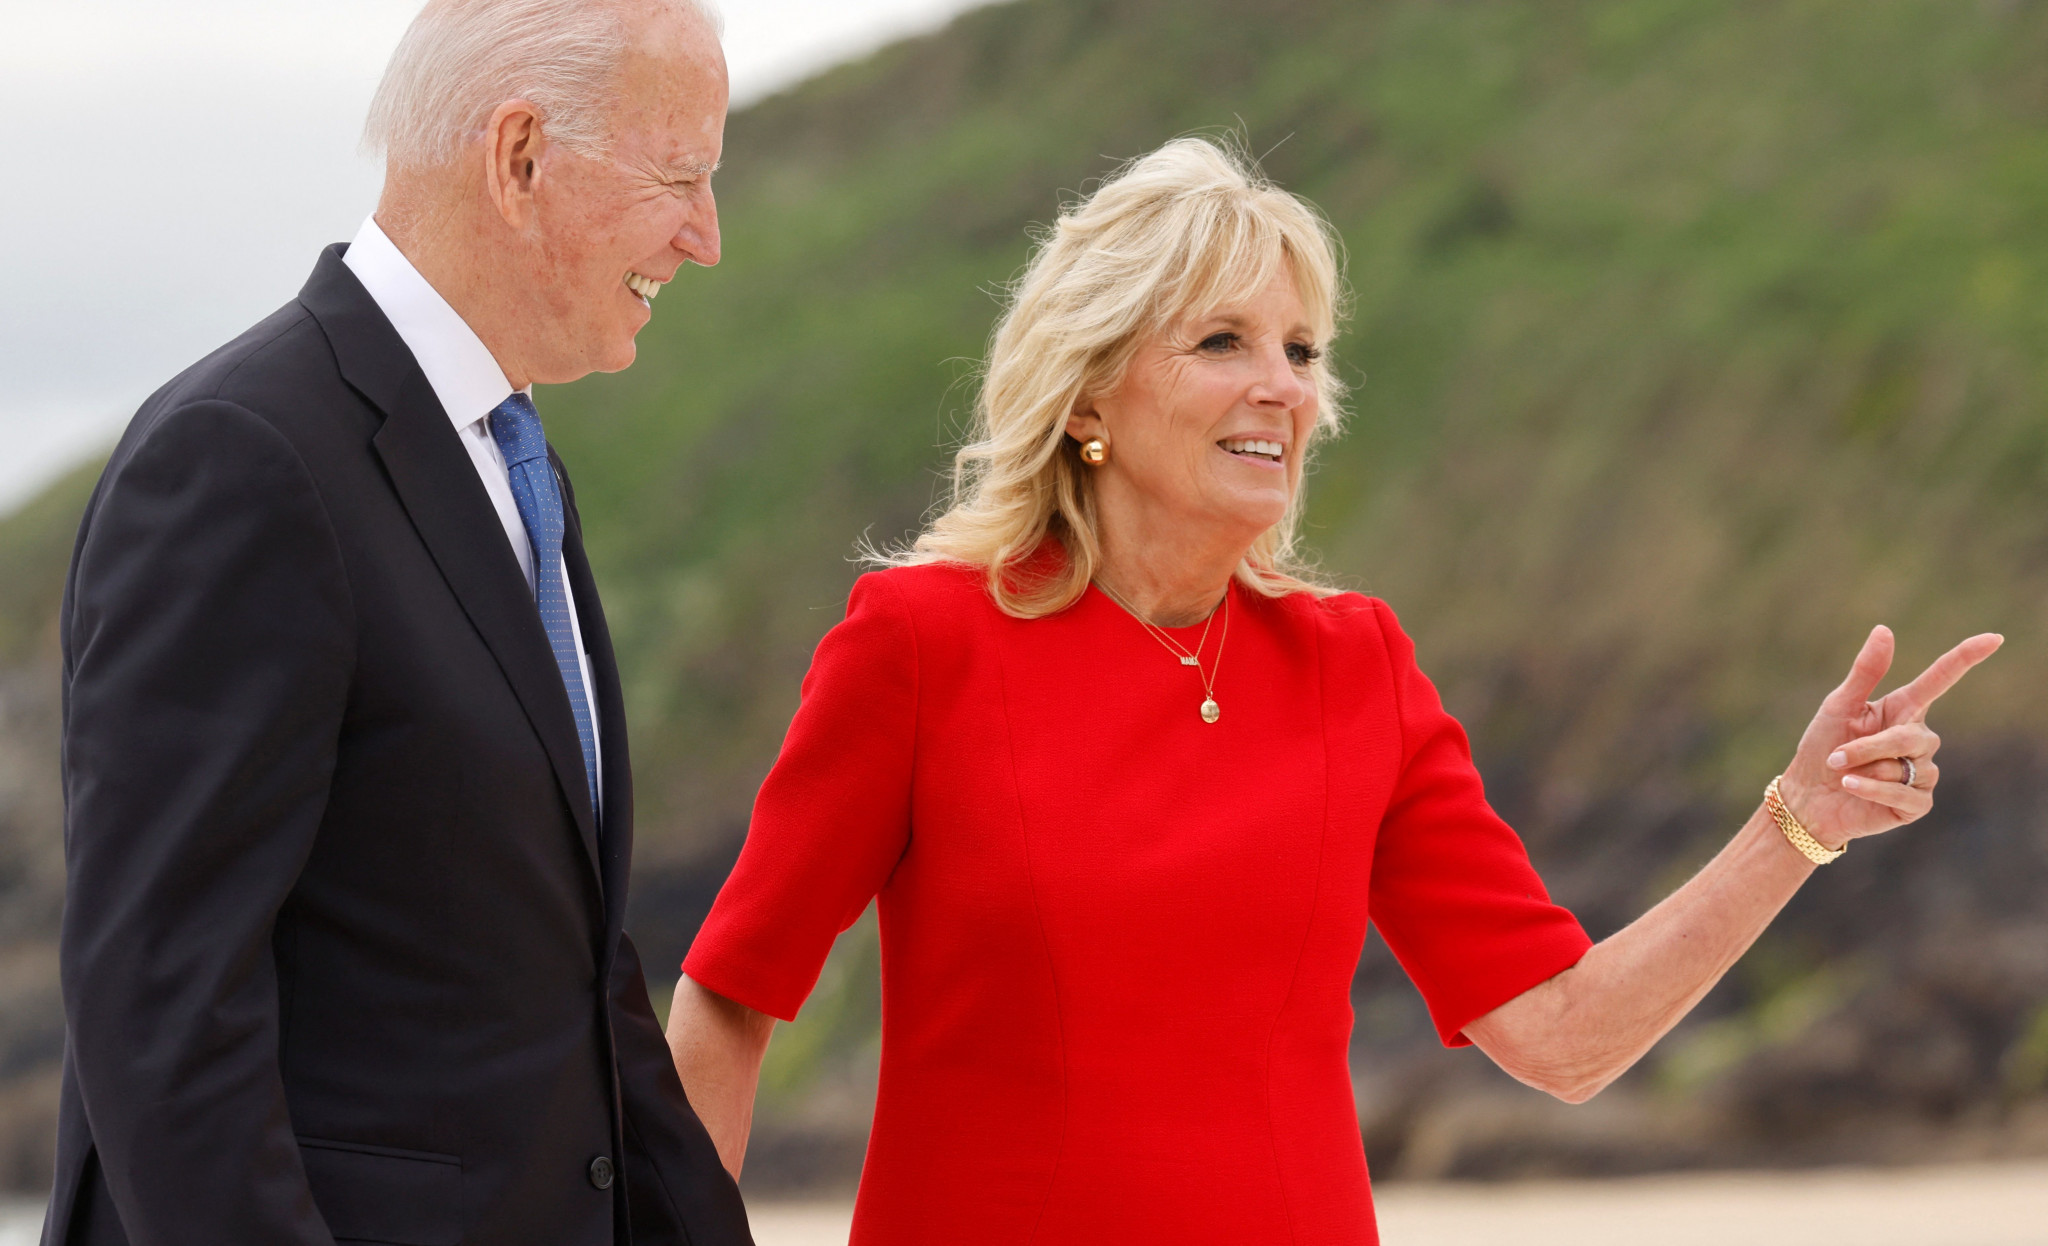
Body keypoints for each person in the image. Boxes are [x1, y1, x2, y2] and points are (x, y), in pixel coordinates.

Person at [665, 138, 2002, 1244]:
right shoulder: (922, 640)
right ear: (1090, 393)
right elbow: (732, 993)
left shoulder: (1353, 664)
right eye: (1225, 341)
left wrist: (1796, 826)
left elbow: (1562, 1034)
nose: (1281, 388)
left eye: (1304, 351)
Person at [46, 0, 752, 1246]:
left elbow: (582, 985)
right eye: (683, 175)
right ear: (521, 156)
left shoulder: (514, 468)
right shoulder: (242, 461)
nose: (706, 236)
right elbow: (164, 1008)